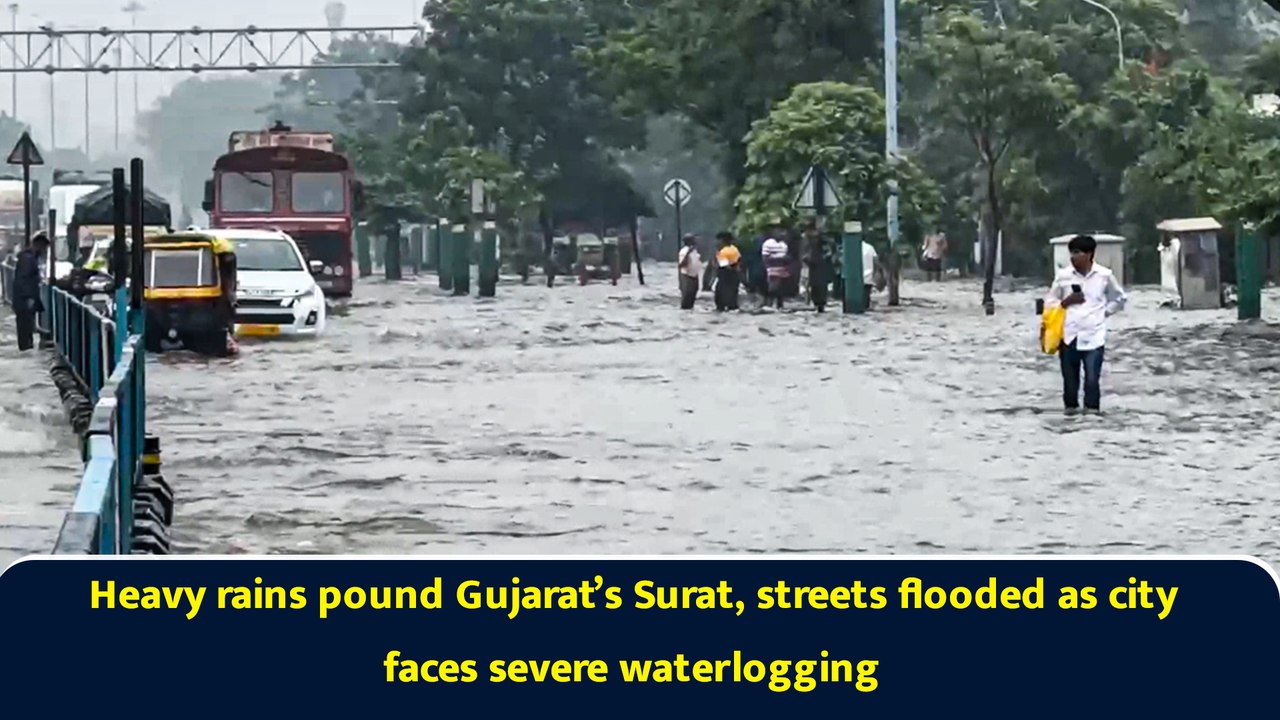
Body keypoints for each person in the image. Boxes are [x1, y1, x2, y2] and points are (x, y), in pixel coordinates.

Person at [1044, 234, 1128, 415]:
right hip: (1068, 335)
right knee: (1070, 383)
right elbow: (1049, 302)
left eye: (1077, 252)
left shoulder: (1104, 275)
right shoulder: (1063, 276)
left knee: (1091, 380)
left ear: (1089, 254)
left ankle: (1092, 416)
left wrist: (1104, 313)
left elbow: (1120, 298)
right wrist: (1066, 302)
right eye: (1071, 253)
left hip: (1094, 336)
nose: (1073, 257)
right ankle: (1071, 416)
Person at [10, 232, 50, 351]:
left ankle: (27, 347)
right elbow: (24, 279)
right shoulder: (28, 259)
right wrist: (29, 298)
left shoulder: (29, 257)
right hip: (25, 300)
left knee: (26, 328)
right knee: (25, 327)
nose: (44, 251)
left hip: (24, 299)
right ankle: (26, 348)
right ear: (39, 245)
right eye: (44, 248)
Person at [804, 224, 832, 313]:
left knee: (819, 288)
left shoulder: (820, 242)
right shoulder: (812, 242)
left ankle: (819, 305)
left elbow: (828, 252)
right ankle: (818, 305)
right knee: (817, 288)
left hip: (818, 267)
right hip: (816, 267)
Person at [713, 232, 741, 311]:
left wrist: (716, 259)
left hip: (725, 278)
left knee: (720, 299)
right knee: (732, 298)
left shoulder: (724, 252)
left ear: (722, 240)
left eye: (718, 240)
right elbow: (738, 262)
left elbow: (724, 266)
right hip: (734, 277)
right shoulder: (734, 249)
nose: (716, 243)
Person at [761, 235, 790, 309]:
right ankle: (770, 304)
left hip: (782, 269)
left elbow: (786, 257)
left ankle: (779, 305)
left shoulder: (783, 244)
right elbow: (765, 258)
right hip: (771, 268)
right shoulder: (768, 243)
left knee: (780, 288)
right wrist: (779, 259)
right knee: (773, 287)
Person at [677, 234, 702, 310]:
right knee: (686, 297)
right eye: (693, 240)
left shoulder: (694, 251)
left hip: (694, 276)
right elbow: (682, 264)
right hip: (687, 276)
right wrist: (688, 253)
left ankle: (690, 311)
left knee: (692, 297)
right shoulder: (684, 251)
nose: (695, 241)